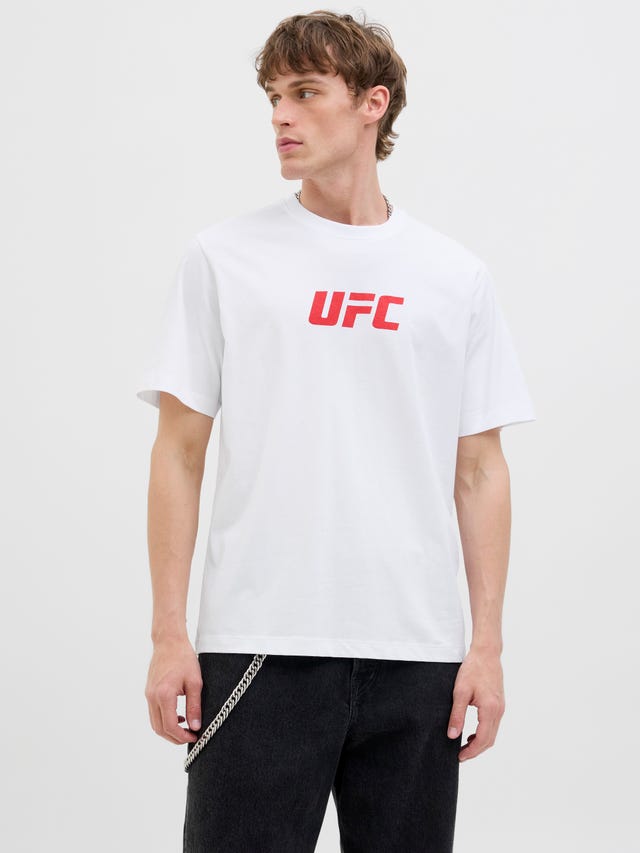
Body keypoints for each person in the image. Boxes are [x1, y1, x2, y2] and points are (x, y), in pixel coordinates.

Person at [136, 10, 536, 852]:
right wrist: (170, 633)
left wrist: (487, 648)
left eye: (306, 93)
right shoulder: (224, 258)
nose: (281, 116)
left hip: (418, 654)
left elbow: (479, 470)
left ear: (371, 105)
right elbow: (179, 451)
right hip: (257, 646)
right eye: (273, 98)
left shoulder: (454, 276)